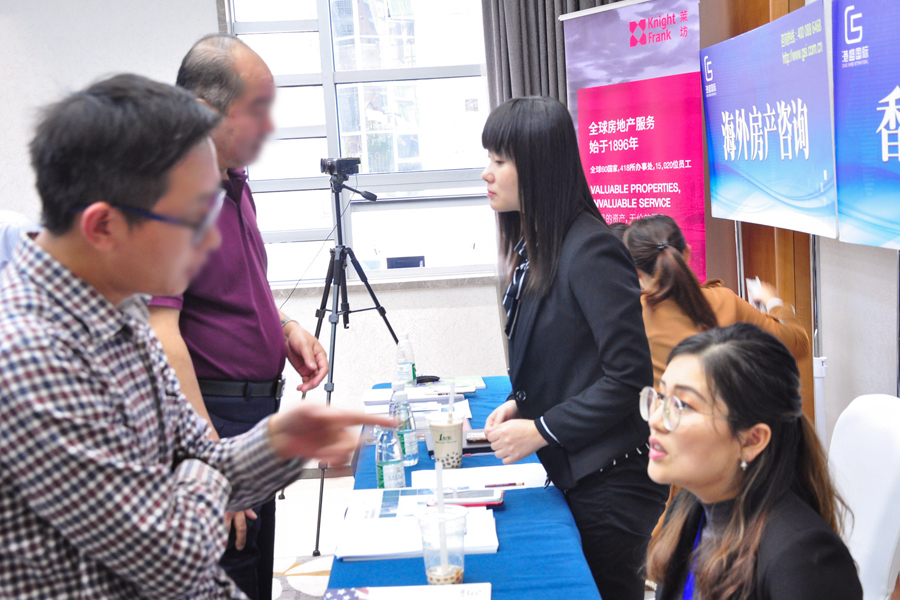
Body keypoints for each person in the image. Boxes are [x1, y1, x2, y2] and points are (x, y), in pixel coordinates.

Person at [0, 74, 394, 599]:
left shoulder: (118, 313)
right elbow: (172, 553)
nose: (209, 241)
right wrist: (196, 475)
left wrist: (277, 441)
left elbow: (202, 460)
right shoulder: (29, 357)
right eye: (192, 218)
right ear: (103, 227)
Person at [147, 34, 329, 600]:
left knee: (254, 568)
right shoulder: (173, 193)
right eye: (257, 109)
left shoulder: (233, 183)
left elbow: (239, 286)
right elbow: (161, 333)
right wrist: (212, 462)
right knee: (229, 572)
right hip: (212, 416)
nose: (268, 126)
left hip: (253, 415)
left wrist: (285, 329)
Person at [480, 96, 668, 600]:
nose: (487, 173)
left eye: (499, 161)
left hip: (611, 478)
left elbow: (629, 379)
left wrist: (540, 429)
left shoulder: (591, 248)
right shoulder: (537, 244)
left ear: (537, 167)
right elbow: (567, 354)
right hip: (579, 470)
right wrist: (521, 403)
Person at [643, 323, 862, 600]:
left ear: (751, 440)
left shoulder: (804, 558)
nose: (655, 420)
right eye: (661, 397)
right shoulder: (687, 510)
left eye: (682, 405)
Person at [624, 214, 809, 386]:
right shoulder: (725, 300)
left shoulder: (630, 317)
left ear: (636, 271)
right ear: (687, 253)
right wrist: (774, 303)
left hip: (663, 411)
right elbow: (797, 344)